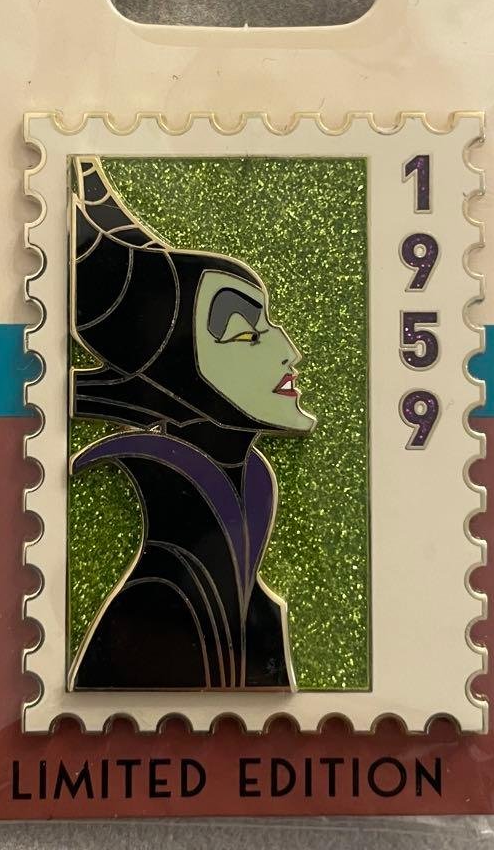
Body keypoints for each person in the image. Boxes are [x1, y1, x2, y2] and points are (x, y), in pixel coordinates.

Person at [68, 158, 315, 690]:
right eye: (246, 334)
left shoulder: (242, 593)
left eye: (268, 325)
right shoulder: (156, 606)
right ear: (177, 373)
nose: (288, 351)